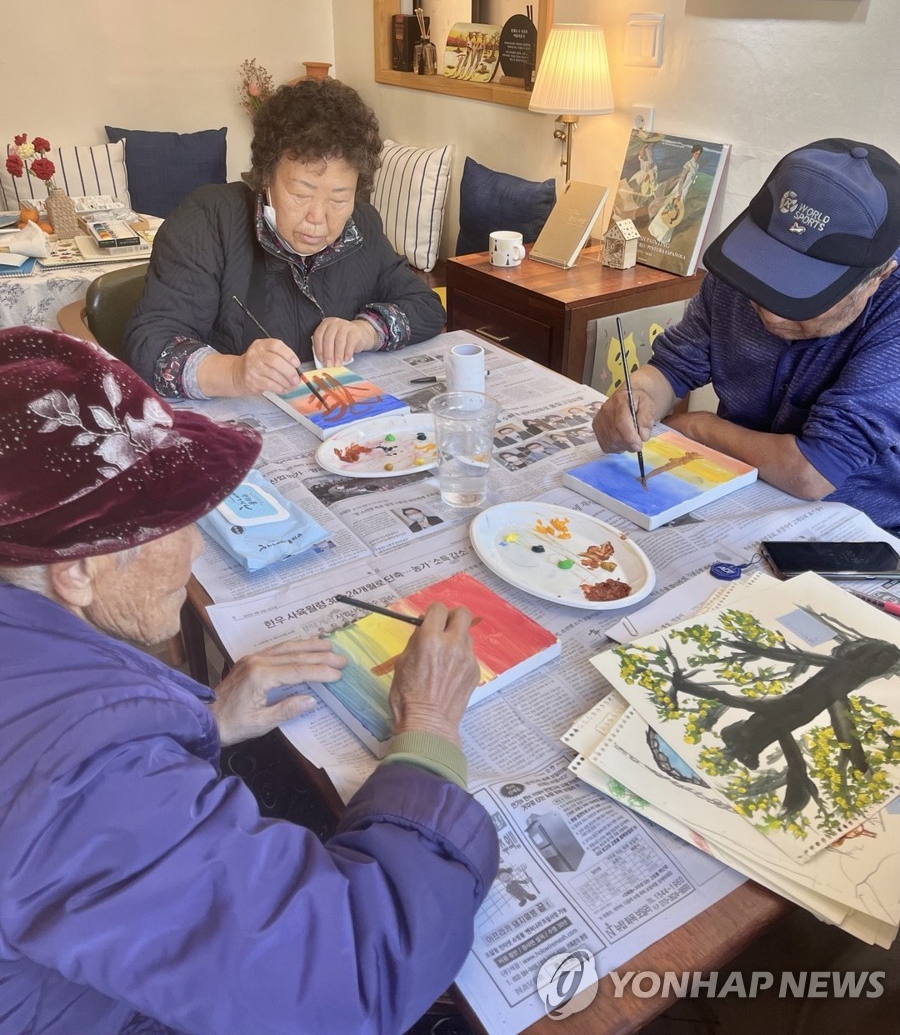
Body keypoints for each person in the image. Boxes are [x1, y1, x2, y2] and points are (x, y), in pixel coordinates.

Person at [0, 327, 498, 1035]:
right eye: (173, 523)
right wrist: (429, 732)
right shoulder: (72, 782)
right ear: (75, 569)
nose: (198, 546)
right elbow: (351, 976)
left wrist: (205, 721)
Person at [593, 139, 900, 530]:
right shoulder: (740, 262)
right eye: (767, 271)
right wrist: (635, 396)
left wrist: (699, 427)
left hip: (859, 527)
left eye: (803, 290)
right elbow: (674, 365)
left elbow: (813, 471)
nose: (768, 310)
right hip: (732, 489)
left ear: (879, 277)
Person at [123, 78, 446, 400]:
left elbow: (427, 308)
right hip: (235, 423)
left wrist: (364, 331)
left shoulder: (362, 225)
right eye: (300, 194)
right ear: (265, 177)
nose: (318, 217)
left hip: (337, 419)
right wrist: (233, 373)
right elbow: (150, 344)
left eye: (339, 199)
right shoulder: (209, 219)